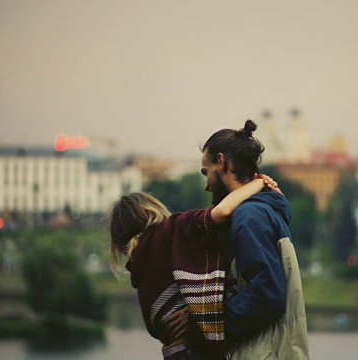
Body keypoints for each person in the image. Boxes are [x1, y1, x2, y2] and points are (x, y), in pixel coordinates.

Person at [108, 173, 279, 359]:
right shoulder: (171, 231)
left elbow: (159, 330)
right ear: (153, 210)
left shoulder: (140, 276)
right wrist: (260, 182)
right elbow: (223, 211)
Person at [198, 119, 310, 359]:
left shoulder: (249, 216)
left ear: (221, 161)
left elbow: (266, 293)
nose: (206, 185)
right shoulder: (256, 212)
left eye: (206, 173)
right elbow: (250, 282)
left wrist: (211, 325)